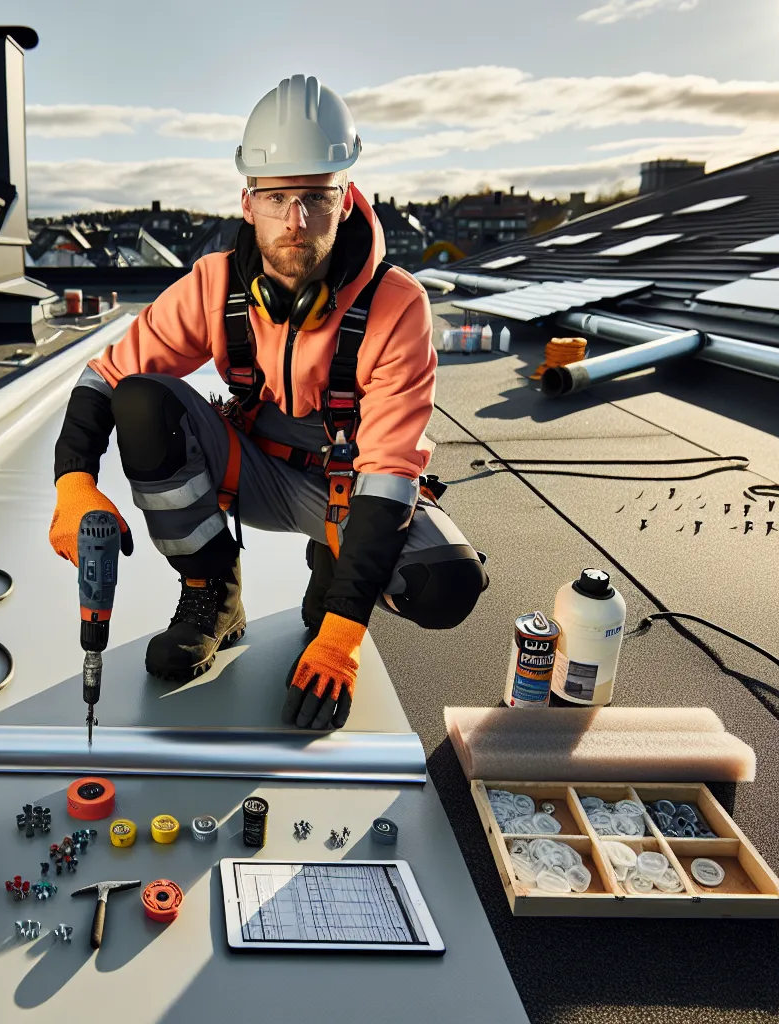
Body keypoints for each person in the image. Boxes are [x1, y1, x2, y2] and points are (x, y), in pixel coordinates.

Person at [47, 75, 487, 730]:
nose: (296, 221)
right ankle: (212, 595)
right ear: (247, 201)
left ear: (346, 199)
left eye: (315, 197)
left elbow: (390, 475)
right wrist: (74, 482)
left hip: (347, 493)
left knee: (447, 584)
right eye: (277, 196)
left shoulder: (397, 307)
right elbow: (106, 376)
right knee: (142, 402)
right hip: (247, 468)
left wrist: (341, 635)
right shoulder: (216, 284)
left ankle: (333, 572)